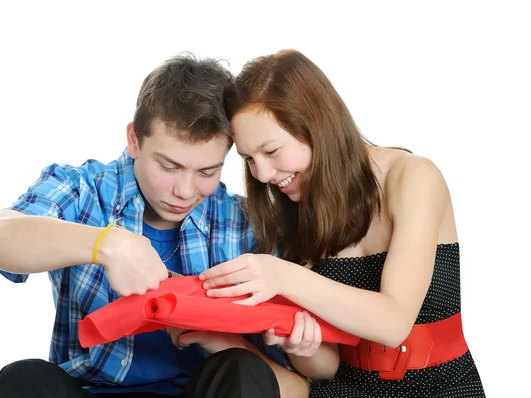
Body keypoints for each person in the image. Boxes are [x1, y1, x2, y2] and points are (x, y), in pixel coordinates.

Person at [0, 53, 308, 398]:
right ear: (134, 140)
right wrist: (107, 245)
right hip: (89, 390)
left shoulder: (243, 224)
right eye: (169, 166)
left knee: (243, 369)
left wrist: (223, 340)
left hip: (201, 391)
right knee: (24, 379)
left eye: (207, 172)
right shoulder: (84, 188)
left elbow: (294, 387)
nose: (186, 191)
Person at [200, 49, 486, 397]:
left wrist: (283, 276)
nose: (262, 174)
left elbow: (394, 322)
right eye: (249, 159)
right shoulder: (295, 210)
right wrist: (298, 342)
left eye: (271, 152)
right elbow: (326, 366)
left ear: (317, 124)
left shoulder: (412, 177)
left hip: (442, 387)